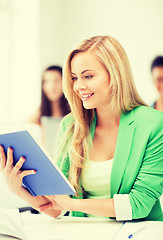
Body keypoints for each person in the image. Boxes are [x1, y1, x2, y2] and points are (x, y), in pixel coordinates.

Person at [0, 36, 162, 221]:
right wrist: (17, 189)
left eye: (88, 76)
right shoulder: (71, 126)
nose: (79, 86)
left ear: (115, 75)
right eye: (74, 78)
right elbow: (57, 209)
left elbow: (139, 205)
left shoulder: (153, 124)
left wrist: (73, 204)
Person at [28, 65, 70, 156]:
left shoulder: (73, 111)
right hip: (48, 158)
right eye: (46, 81)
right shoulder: (40, 112)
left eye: (56, 81)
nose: (51, 86)